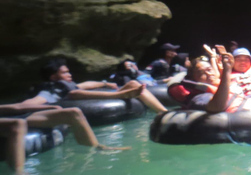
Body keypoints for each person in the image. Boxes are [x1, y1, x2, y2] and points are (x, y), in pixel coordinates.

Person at [0, 101, 128, 173]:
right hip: (13, 121)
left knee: (73, 112)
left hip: (11, 116)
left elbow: (15, 107)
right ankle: (18, 171)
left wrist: (50, 107)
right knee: (17, 124)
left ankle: (97, 147)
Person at [25, 58, 167, 114]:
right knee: (75, 93)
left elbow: (85, 85)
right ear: (53, 77)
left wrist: (106, 83)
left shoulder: (65, 85)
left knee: (133, 83)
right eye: (65, 73)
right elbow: (31, 103)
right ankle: (119, 95)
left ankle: (163, 112)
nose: (69, 75)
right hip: (69, 106)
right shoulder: (50, 89)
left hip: (83, 96)